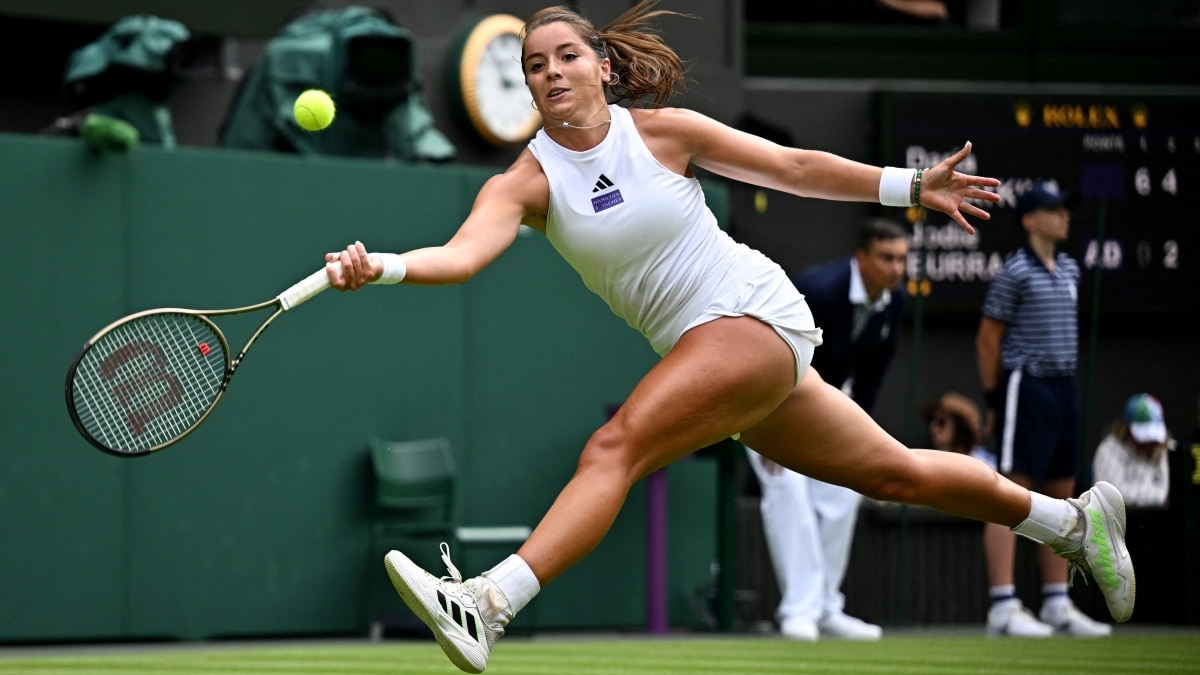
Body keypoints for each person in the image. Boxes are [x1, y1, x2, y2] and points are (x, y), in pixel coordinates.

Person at [323, 3, 1133, 671]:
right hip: (714, 348)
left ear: (602, 66)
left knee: (616, 448)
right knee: (897, 472)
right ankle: (1072, 522)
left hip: (750, 312)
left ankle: (488, 601)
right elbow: (461, 257)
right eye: (536, 65)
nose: (551, 72)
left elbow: (794, 167)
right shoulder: (525, 182)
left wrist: (911, 186)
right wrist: (385, 264)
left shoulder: (664, 132)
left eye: (566, 55)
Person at [743, 218, 910, 641]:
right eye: (886, 258)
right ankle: (798, 610)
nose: (896, 269)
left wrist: (860, 431)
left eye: (902, 260)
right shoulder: (819, 290)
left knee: (844, 492)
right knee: (789, 494)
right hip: (765, 400)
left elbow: (872, 377)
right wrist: (768, 426)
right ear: (862, 257)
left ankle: (826, 607)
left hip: (826, 407)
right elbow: (770, 351)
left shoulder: (895, 301)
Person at [974, 179, 1111, 638]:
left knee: (1061, 496)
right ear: (1030, 220)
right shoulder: (1015, 271)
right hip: (1024, 387)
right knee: (1012, 493)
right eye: (1054, 210)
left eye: (1064, 209)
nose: (1064, 216)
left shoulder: (1071, 269)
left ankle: (1056, 603)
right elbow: (988, 337)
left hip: (1064, 388)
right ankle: (1003, 605)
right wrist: (995, 398)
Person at [1093, 393, 1173, 508]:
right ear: (1127, 430)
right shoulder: (1108, 450)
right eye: (1144, 437)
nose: (1148, 443)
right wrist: (1160, 497)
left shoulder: (1167, 447)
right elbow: (1112, 497)